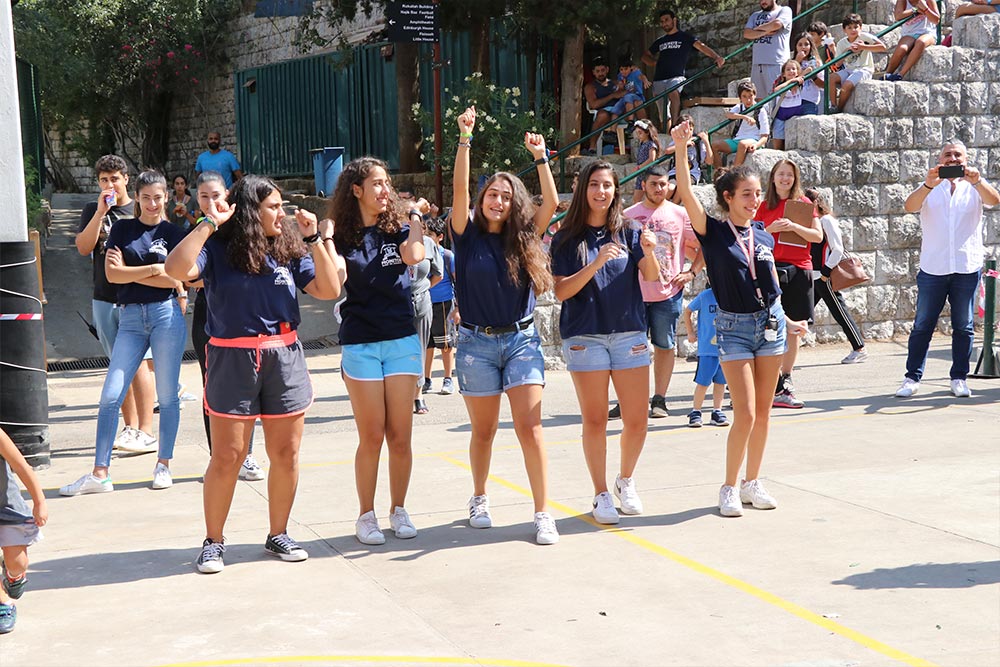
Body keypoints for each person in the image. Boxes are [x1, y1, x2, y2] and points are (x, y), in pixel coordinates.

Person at [166, 175, 342, 573]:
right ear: (250, 211)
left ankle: (278, 533)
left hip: (284, 356)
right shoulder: (216, 247)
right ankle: (213, 541)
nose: (283, 213)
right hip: (232, 358)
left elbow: (330, 289)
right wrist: (209, 223)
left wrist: (315, 240)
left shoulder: (289, 248)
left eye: (281, 206)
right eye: (274, 207)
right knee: (228, 456)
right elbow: (176, 268)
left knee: (286, 454)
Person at [670, 119, 808, 518]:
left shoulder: (762, 233)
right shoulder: (713, 231)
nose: (754, 199)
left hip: (771, 325)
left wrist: (787, 319)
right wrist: (681, 149)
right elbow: (687, 195)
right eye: (746, 194)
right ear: (728, 197)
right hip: (733, 327)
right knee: (744, 412)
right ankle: (729, 486)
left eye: (757, 193)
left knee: (763, 412)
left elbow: (771, 284)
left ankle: (752, 481)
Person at [451, 107, 560, 544]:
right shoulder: (465, 235)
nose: (497, 201)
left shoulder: (525, 235)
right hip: (475, 344)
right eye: (491, 194)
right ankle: (479, 497)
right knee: (484, 431)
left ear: (515, 203)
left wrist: (541, 158)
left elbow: (551, 202)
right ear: (482, 200)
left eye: (505, 196)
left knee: (530, 428)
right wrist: (465, 138)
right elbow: (459, 188)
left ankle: (543, 512)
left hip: (521, 341)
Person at [60, 170, 188, 496]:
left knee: (168, 396)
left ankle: (163, 464)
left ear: (166, 197)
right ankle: (100, 473)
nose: (152, 204)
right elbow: (112, 275)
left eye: (157, 197)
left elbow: (178, 278)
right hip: (129, 317)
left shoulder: (174, 233)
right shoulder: (121, 228)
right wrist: (155, 270)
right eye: (146, 198)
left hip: (165, 315)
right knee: (110, 396)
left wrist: (136, 273)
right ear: (138, 198)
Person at [551, 160, 660, 525]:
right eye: (594, 184)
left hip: (629, 333)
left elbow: (651, 276)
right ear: (584, 189)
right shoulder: (566, 238)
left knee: (637, 420)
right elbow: (562, 291)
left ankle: (625, 480)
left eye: (608, 185)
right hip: (585, 336)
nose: (601, 191)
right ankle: (600, 493)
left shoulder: (630, 230)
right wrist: (596, 263)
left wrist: (650, 251)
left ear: (616, 191)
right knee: (595, 420)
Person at [330, 157, 426, 546]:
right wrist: (323, 241)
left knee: (400, 436)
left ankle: (398, 508)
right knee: (371, 436)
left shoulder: (398, 230)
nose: (385, 190)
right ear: (356, 190)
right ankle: (365, 515)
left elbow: (415, 256)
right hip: (361, 343)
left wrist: (415, 216)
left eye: (387, 183)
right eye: (377, 184)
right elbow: (335, 280)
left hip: (401, 340)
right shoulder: (342, 237)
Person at [895, 141, 999, 398]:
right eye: (948, 154)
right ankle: (912, 377)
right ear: (940, 159)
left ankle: (959, 377)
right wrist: (928, 184)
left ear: (966, 159)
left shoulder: (974, 186)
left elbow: (994, 200)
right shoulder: (930, 186)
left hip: (965, 266)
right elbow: (909, 206)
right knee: (923, 325)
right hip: (934, 267)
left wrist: (977, 181)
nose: (953, 158)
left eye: (957, 155)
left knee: (963, 326)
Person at [74, 155, 157, 456]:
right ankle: (130, 426)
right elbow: (83, 247)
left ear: (126, 179)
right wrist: (100, 213)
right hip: (104, 297)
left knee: (140, 364)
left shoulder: (138, 210)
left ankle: (146, 430)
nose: (110, 185)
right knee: (118, 365)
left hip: (137, 297)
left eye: (115, 179)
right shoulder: (93, 210)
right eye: (104, 180)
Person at [188, 171, 265, 481]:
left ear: (228, 197)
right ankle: (217, 457)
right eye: (204, 197)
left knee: (249, 387)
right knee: (212, 389)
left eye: (216, 195)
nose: (210, 202)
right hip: (207, 317)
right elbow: (188, 276)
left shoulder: (242, 228)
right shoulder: (198, 230)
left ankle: (246, 455)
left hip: (241, 318)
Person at [622, 165, 703, 420]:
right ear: (643, 186)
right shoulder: (628, 216)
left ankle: (659, 398)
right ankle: (629, 398)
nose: (659, 189)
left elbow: (705, 244)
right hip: (634, 295)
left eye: (663, 184)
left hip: (667, 293)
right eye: (654, 184)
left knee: (664, 346)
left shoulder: (680, 214)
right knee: (630, 349)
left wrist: (692, 272)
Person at [757, 159, 823, 408]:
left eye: (790, 175)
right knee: (771, 324)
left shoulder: (803, 204)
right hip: (770, 268)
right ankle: (770, 381)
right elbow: (752, 236)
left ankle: (786, 378)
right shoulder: (763, 205)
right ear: (773, 177)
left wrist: (794, 226)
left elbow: (817, 237)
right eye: (781, 174)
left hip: (799, 268)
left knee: (795, 326)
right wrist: (771, 229)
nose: (785, 179)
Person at [804, 188, 868, 364]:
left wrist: (825, 273)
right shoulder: (812, 222)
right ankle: (785, 349)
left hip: (824, 276)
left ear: (815, 203)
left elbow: (838, 248)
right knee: (802, 314)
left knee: (839, 312)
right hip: (814, 276)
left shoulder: (826, 220)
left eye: (807, 202)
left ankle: (860, 348)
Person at [642, 8, 726, 130]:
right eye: (662, 21)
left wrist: (716, 57)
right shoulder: (660, 41)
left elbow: (701, 47)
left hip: (676, 76)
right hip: (659, 78)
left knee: (673, 92)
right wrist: (654, 62)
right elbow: (645, 56)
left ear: (674, 20)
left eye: (666, 20)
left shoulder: (685, 37)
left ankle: (675, 125)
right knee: (662, 111)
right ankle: (667, 133)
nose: (664, 23)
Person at [0, 428, 47, 634]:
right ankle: (3, 602)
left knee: (18, 563)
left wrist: (39, 501)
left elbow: (20, 466)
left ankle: (14, 575)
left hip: (6, 506)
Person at [410, 206, 444, 415]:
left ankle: (418, 395)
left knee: (420, 348)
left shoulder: (429, 244)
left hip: (421, 303)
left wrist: (424, 289)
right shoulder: (396, 243)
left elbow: (438, 274)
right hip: (395, 305)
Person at [683, 286, 729, 428]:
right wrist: (690, 332)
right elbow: (688, 311)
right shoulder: (705, 296)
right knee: (703, 382)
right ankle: (696, 411)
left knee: (720, 382)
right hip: (708, 349)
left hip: (726, 348)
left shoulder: (730, 294)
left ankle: (717, 411)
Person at [423, 216, 458, 395]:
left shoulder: (447, 255)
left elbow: (458, 281)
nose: (426, 237)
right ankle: (426, 379)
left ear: (440, 237)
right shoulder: (420, 254)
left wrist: (458, 307)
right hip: (424, 303)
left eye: (430, 234)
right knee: (427, 344)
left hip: (444, 303)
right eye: (424, 233)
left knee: (445, 343)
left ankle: (447, 379)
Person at [830, 14, 887, 112]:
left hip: (864, 69)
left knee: (847, 85)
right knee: (831, 78)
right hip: (849, 69)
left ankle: (839, 109)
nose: (853, 30)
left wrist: (863, 47)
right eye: (849, 27)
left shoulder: (864, 37)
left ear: (860, 27)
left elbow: (883, 47)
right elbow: (837, 64)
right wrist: (847, 51)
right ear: (844, 30)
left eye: (856, 27)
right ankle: (833, 105)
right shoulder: (841, 43)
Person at [743, 0, 794, 102]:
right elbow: (747, 33)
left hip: (776, 63)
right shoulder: (755, 15)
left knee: (775, 98)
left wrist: (756, 29)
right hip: (757, 64)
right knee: (757, 100)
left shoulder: (784, 10)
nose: (763, 1)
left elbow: (777, 24)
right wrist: (765, 31)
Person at [712, 81, 770, 168]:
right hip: (738, 139)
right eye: (744, 96)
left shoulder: (760, 110)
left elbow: (765, 136)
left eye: (750, 96)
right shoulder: (739, 107)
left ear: (755, 95)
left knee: (742, 144)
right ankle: (719, 172)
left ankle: (733, 173)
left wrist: (756, 145)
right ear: (740, 98)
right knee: (714, 145)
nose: (748, 100)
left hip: (754, 139)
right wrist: (745, 117)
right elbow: (728, 115)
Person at [583, 57, 624, 155]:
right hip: (602, 114)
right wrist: (612, 96)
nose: (600, 73)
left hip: (620, 112)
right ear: (593, 72)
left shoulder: (616, 83)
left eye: (602, 70)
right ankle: (592, 147)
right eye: (597, 71)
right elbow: (593, 104)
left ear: (607, 70)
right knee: (603, 115)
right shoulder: (590, 87)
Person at [664, 113, 712, 195]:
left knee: (682, 187)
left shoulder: (697, 142)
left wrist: (706, 141)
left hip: (692, 173)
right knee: (670, 188)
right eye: (685, 130)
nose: (688, 132)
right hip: (676, 172)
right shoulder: (677, 140)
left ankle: (674, 203)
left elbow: (709, 161)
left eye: (690, 129)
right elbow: (667, 151)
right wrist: (684, 144)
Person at [770, 59, 806, 151]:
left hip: (795, 115)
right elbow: (776, 90)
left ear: (797, 72)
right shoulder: (782, 84)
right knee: (778, 141)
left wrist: (798, 79)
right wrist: (790, 81)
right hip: (781, 116)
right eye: (788, 69)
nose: (791, 71)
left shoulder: (800, 83)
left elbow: (810, 69)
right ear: (783, 74)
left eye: (793, 69)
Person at [793, 33, 824, 115]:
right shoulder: (791, 62)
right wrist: (797, 61)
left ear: (811, 46)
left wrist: (813, 77)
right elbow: (787, 80)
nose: (803, 47)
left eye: (806, 44)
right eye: (800, 45)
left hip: (810, 101)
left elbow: (823, 85)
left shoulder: (817, 62)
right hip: (793, 101)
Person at [631, 119, 660, 204]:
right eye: (637, 133)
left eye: (640, 133)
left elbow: (651, 159)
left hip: (647, 173)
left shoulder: (650, 144)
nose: (638, 135)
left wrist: (639, 167)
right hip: (641, 174)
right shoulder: (642, 144)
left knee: (642, 198)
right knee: (636, 199)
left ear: (647, 132)